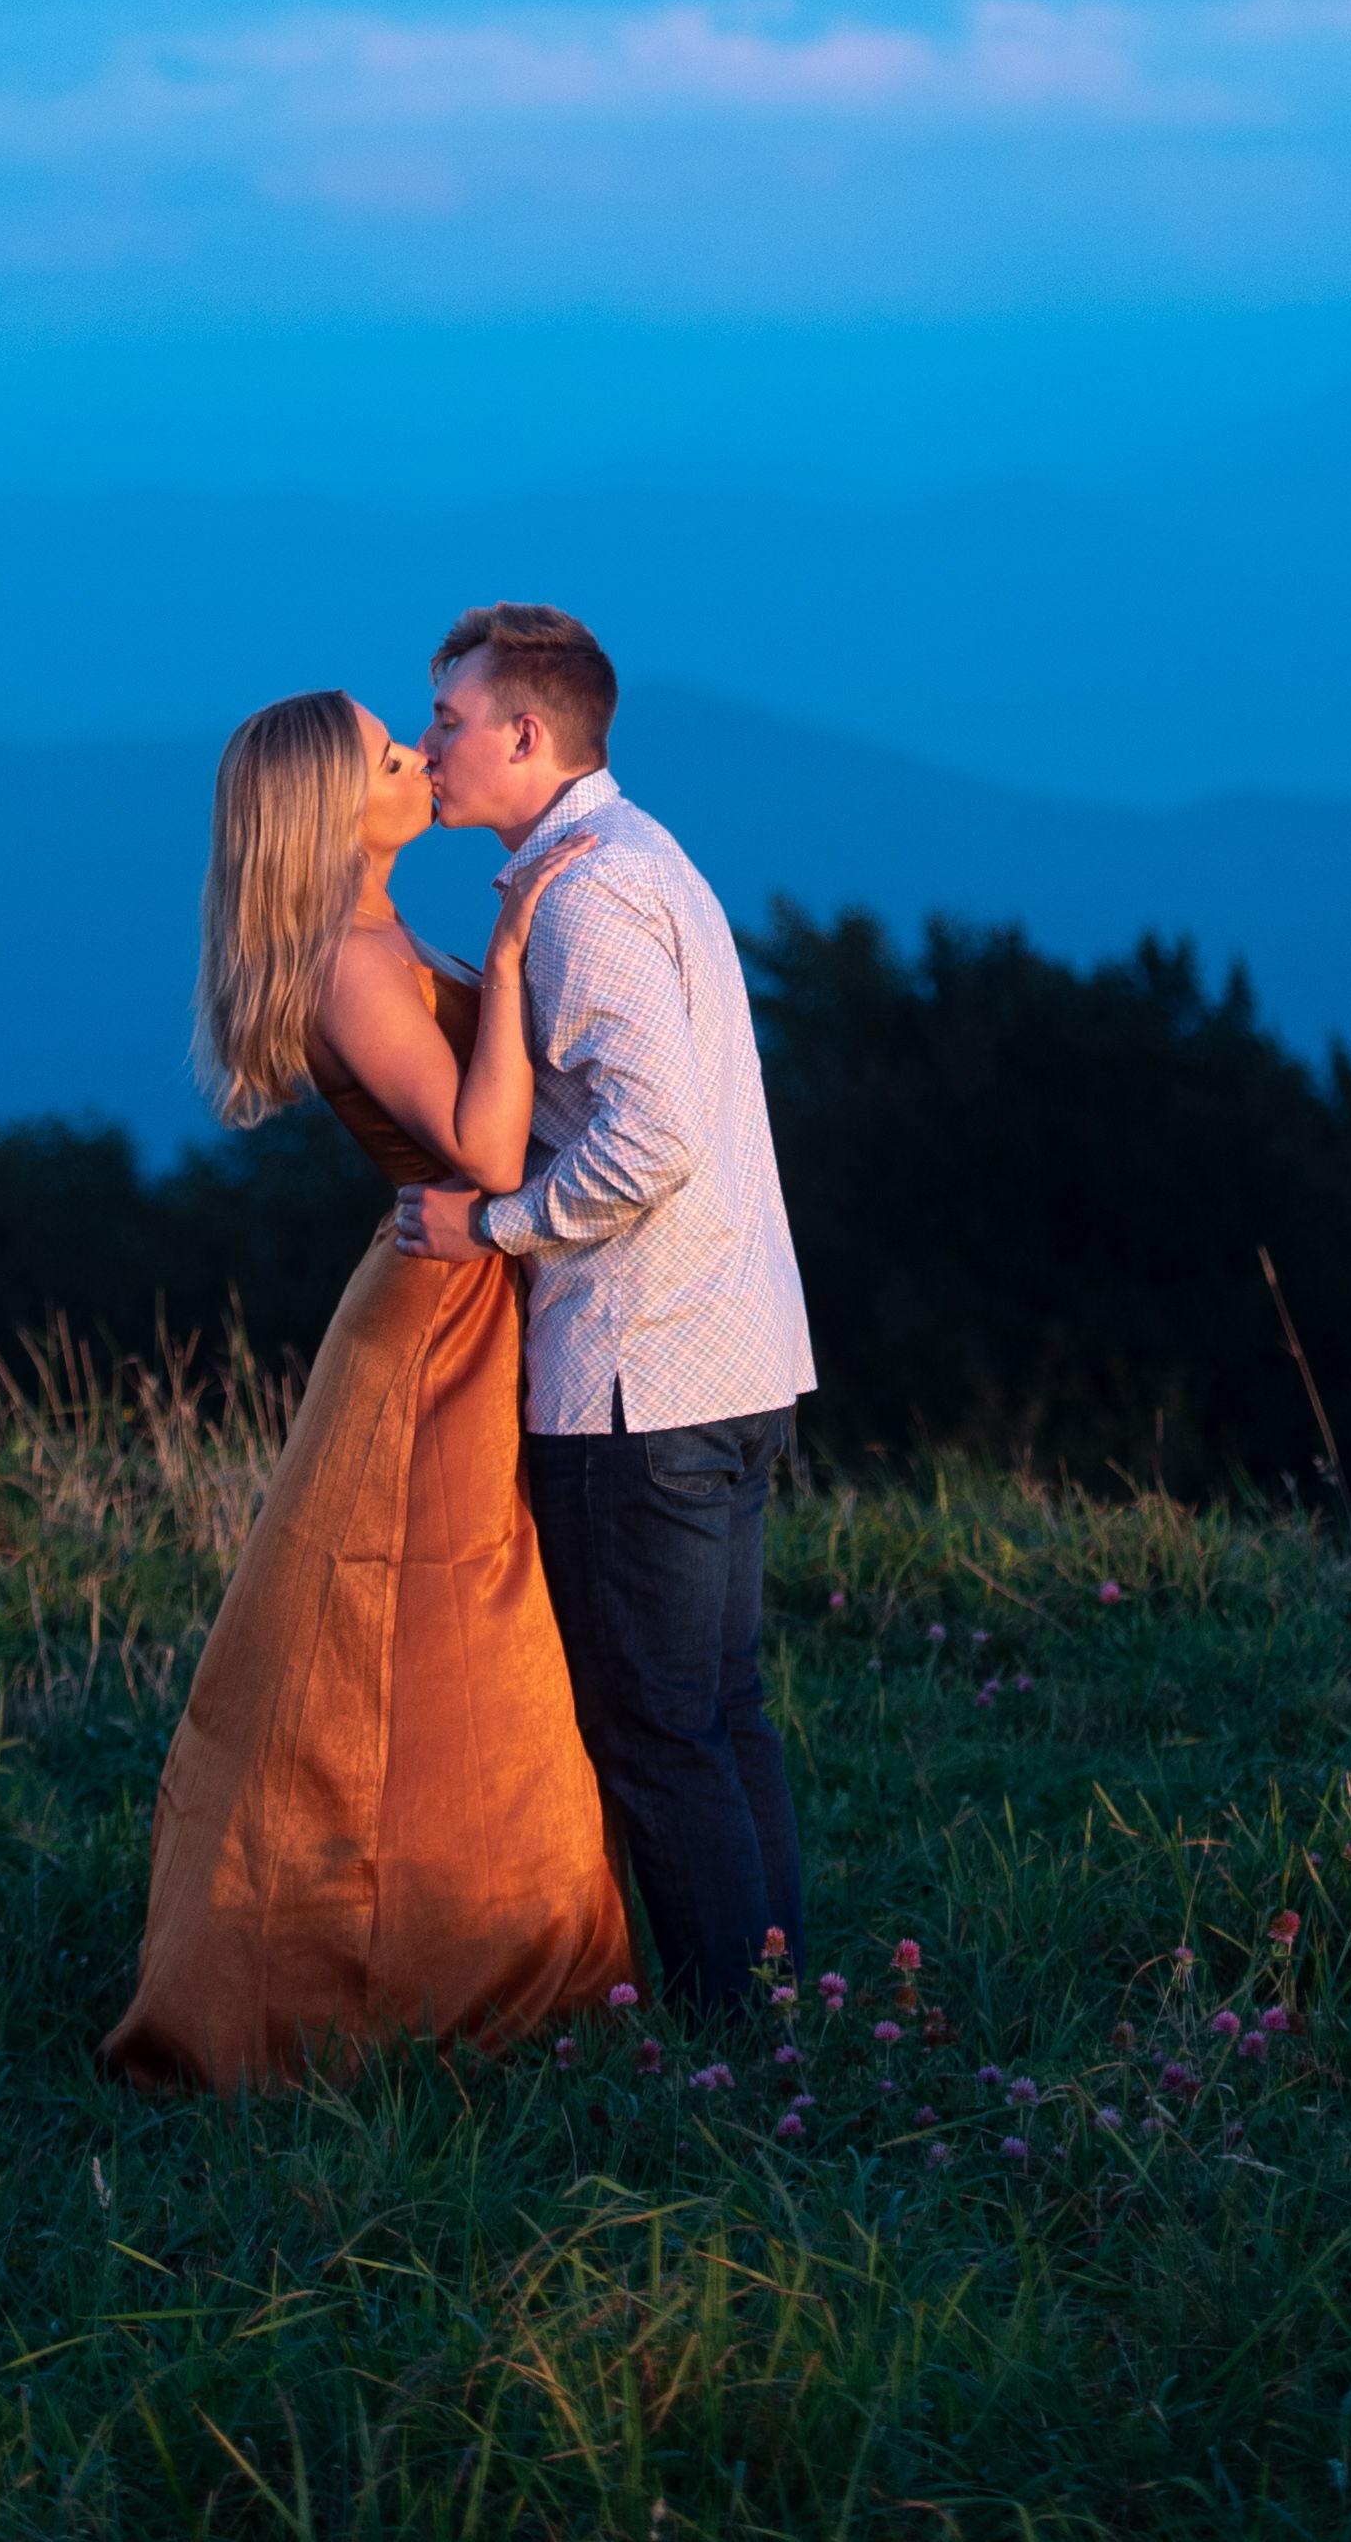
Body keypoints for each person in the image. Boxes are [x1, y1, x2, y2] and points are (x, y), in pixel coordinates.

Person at [96, 692, 635, 2090]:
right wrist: (514, 958)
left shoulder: (377, 935)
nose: (419, 761)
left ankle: (456, 1933)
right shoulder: (346, 958)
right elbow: (482, 1144)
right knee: (448, 1634)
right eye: (391, 757)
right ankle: (410, 1965)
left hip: (463, 1296)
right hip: (439, 1316)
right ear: (333, 811)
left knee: (467, 1630)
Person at [384, 600, 819, 2019]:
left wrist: (492, 1224)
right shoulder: (641, 855)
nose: (427, 743)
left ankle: (732, 2050)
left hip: (641, 1382)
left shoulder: (579, 894)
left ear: (523, 732)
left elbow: (653, 1138)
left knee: (656, 1735)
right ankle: (783, 2022)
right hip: (733, 1356)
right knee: (719, 1716)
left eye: (447, 720)